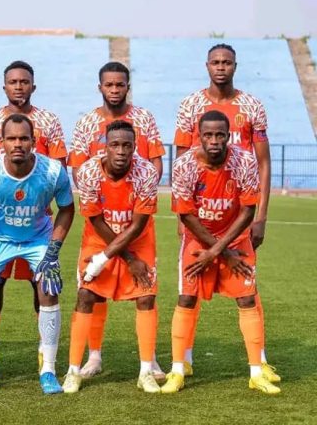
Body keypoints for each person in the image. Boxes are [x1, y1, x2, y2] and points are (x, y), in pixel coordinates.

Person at [174, 44, 276, 382]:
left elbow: (263, 162)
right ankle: (184, 359)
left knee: (247, 285)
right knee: (190, 287)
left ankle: (260, 361)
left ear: (235, 65)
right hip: (201, 210)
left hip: (240, 210)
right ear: (207, 65)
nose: (221, 67)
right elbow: (182, 159)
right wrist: (180, 218)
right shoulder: (190, 105)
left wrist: (261, 216)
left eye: (227, 62)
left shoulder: (252, 106)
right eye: (216, 62)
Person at [161, 110, 279, 395]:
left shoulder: (244, 160)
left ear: (228, 136)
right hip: (198, 240)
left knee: (247, 298)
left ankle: (256, 372)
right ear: (199, 136)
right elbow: (186, 215)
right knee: (186, 298)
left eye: (219, 135)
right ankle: (177, 370)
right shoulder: (185, 165)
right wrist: (219, 253)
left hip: (235, 238)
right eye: (208, 135)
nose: (214, 140)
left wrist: (217, 251)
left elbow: (247, 210)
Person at [0, 114, 74, 394]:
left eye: (24, 138)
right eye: (11, 138)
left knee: (48, 289)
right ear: (1, 142)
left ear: (33, 141)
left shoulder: (53, 171)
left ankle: (48, 369)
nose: (18, 144)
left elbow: (67, 208)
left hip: (38, 238)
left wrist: (53, 250)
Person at [68, 61, 166, 379]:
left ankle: (149, 361)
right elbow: (78, 168)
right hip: (101, 221)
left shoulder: (144, 119)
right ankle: (93, 357)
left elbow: (155, 162)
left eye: (119, 84)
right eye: (108, 85)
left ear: (127, 86)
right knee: (93, 292)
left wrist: (138, 194)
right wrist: (100, 196)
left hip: (137, 217)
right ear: (100, 87)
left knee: (145, 291)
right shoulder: (86, 123)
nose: (114, 89)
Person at [0, 60, 68, 370]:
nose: (18, 86)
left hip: (39, 219)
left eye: (24, 81)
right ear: (4, 86)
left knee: (42, 285)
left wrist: (39, 197)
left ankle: (45, 354)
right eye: (13, 82)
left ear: (33, 86)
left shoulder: (48, 120)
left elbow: (58, 166)